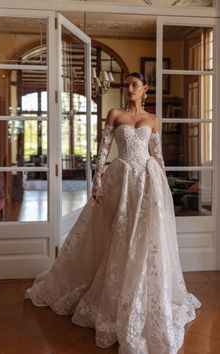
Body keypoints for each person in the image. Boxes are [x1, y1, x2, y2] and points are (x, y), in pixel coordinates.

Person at [25, 72, 201, 354]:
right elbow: (103, 151)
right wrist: (97, 183)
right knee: (117, 232)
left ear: (145, 89)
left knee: (145, 234)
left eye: (135, 85)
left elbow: (157, 155)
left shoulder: (153, 120)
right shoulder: (114, 114)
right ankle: (114, 292)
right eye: (127, 84)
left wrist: (164, 188)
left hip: (147, 180)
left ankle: (140, 288)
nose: (129, 88)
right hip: (120, 178)